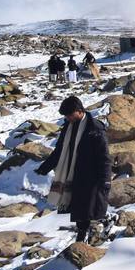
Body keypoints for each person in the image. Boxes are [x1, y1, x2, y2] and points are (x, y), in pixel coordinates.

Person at [34, 96, 112, 243]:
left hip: (91, 176)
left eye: (69, 114)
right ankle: (82, 237)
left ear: (79, 111)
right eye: (66, 115)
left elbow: (104, 156)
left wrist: (106, 179)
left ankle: (93, 236)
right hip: (74, 175)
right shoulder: (68, 128)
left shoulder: (94, 129)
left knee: (89, 209)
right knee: (79, 209)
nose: (68, 118)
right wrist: (44, 167)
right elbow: (59, 150)